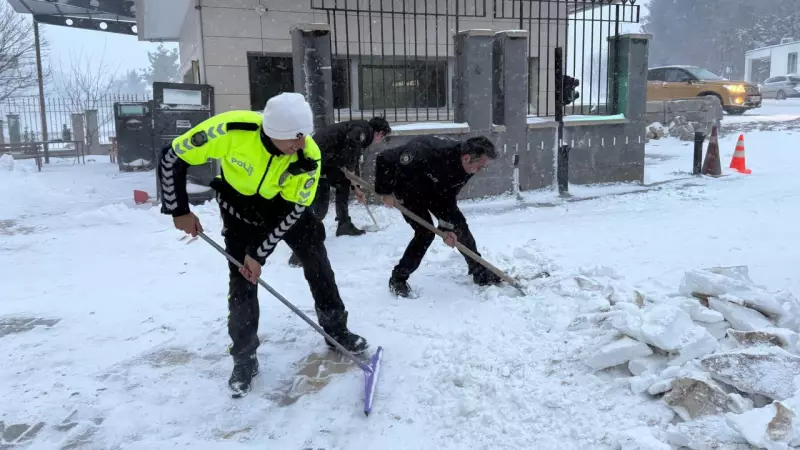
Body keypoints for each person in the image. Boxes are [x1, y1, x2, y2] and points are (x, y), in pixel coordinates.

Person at [158, 92, 369, 398]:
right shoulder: (232, 130)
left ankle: (336, 330)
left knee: (317, 260)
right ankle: (244, 356)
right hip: (238, 208)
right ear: (273, 133)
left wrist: (260, 253)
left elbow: (295, 209)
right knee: (241, 280)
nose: (301, 145)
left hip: (284, 208)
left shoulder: (308, 155)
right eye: (294, 139)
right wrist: (179, 209)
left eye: (304, 137)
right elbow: (173, 156)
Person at [373, 135, 503, 297]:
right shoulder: (426, 152)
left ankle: (479, 271)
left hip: (434, 193)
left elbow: (448, 196)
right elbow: (383, 158)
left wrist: (446, 227)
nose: (480, 171)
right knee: (425, 233)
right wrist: (384, 191)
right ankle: (398, 279)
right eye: (480, 166)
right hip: (407, 189)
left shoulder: (466, 167)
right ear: (467, 157)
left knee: (459, 225)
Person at [288, 117, 392, 267]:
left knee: (343, 183)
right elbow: (350, 150)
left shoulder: (362, 130)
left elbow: (353, 162)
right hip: (317, 160)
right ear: (379, 133)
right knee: (320, 207)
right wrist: (353, 180)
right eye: (383, 137)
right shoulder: (362, 131)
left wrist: (357, 188)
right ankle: (300, 249)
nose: (380, 141)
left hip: (327, 160)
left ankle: (344, 224)